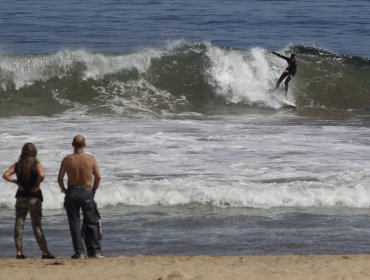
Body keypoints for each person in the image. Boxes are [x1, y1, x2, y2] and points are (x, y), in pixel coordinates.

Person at [3, 143, 55, 259]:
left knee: (19, 224)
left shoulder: (18, 165)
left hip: (21, 197)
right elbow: (41, 175)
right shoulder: (36, 164)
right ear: (34, 152)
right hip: (34, 198)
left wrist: (16, 182)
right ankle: (45, 252)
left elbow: (5, 175)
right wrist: (36, 185)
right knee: (36, 225)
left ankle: (19, 252)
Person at [58, 135, 103, 259]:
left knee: (74, 223)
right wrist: (93, 190)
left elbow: (60, 178)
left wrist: (64, 190)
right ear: (84, 145)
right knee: (91, 222)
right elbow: (98, 177)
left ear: (72, 145)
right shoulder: (91, 159)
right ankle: (96, 252)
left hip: (72, 192)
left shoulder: (67, 160)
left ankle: (80, 253)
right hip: (86, 192)